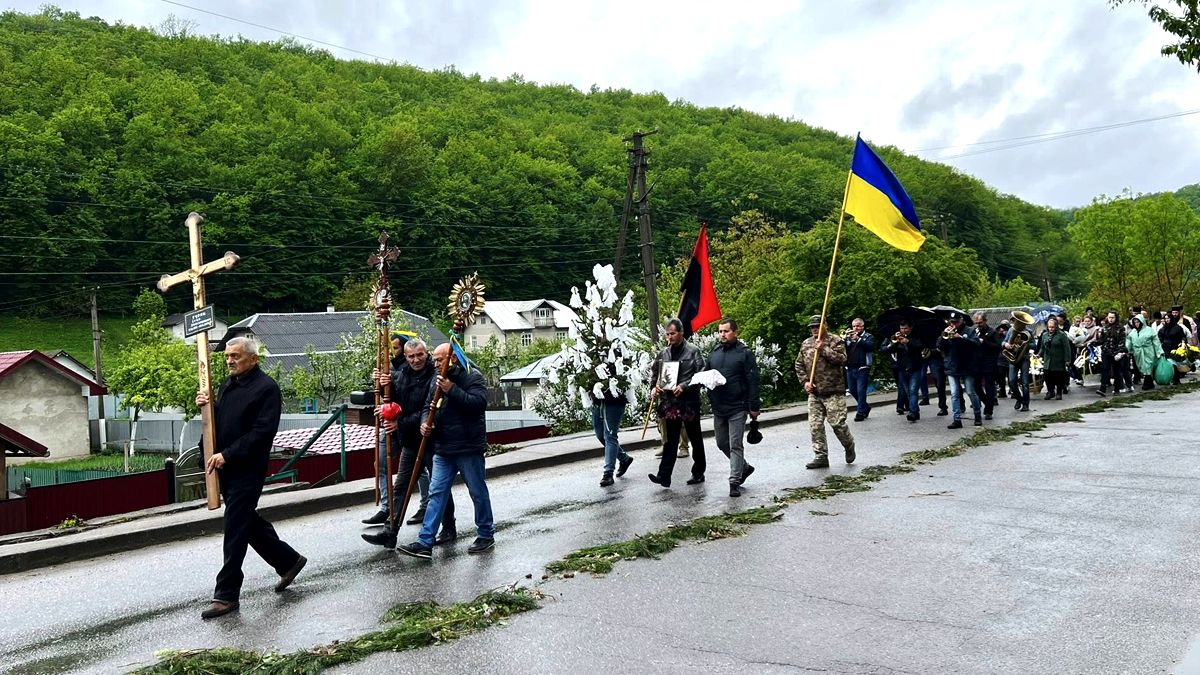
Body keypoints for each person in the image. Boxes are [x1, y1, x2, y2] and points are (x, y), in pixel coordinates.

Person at [196, 337, 306, 620]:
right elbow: (220, 422)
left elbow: (262, 432)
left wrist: (228, 455)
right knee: (247, 522)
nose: (230, 361)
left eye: (236, 356)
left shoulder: (266, 388)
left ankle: (226, 594)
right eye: (228, 357)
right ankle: (289, 561)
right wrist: (207, 408)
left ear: (253, 359)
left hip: (247, 468)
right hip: (225, 466)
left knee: (235, 528)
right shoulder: (227, 385)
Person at [397, 343, 495, 559]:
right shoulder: (436, 379)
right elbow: (427, 407)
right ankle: (425, 541)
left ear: (454, 358)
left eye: (441, 359)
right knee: (436, 493)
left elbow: (478, 404)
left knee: (477, 491)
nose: (436, 363)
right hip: (442, 446)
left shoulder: (472, 377)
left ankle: (486, 534)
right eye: (436, 360)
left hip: (467, 446)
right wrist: (425, 423)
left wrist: (453, 390)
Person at [362, 338, 456, 548]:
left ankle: (449, 527)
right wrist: (381, 384)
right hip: (411, 442)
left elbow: (429, 409)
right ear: (405, 357)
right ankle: (390, 531)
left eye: (420, 355)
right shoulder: (402, 374)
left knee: (438, 487)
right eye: (411, 356)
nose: (416, 360)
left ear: (426, 353)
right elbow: (392, 399)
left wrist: (399, 423)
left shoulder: (436, 376)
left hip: (433, 440)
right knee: (401, 486)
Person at [648, 319, 707, 488]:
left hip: (689, 402)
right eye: (667, 334)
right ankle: (664, 476)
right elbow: (655, 374)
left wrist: (684, 386)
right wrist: (654, 388)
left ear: (681, 333)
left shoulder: (693, 351)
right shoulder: (663, 353)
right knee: (670, 441)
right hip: (670, 403)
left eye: (673, 333)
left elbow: (701, 374)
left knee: (695, 439)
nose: (670, 337)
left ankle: (698, 472)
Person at [706, 318, 761, 497]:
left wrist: (754, 406)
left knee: (735, 444)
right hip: (718, 406)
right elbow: (705, 374)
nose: (723, 334)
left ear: (735, 332)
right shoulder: (714, 353)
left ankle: (734, 481)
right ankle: (744, 467)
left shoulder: (745, 353)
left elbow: (752, 381)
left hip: (738, 406)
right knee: (722, 443)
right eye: (720, 331)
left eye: (726, 331)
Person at [794, 315, 855, 469]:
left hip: (833, 390)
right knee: (815, 426)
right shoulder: (806, 344)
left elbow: (841, 359)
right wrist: (805, 382)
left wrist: (823, 349)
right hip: (815, 393)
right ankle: (821, 456)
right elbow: (799, 365)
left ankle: (849, 445)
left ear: (825, 325)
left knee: (837, 424)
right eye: (812, 327)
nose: (815, 329)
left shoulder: (835, 341)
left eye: (817, 326)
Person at [592, 358, 635, 488]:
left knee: (610, 436)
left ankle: (608, 473)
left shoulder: (616, 353)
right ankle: (624, 458)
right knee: (600, 435)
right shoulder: (593, 353)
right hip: (597, 400)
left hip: (614, 401)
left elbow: (625, 372)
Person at [937, 311, 981, 429]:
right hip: (952, 366)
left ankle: (977, 416)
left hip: (967, 366)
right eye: (952, 322)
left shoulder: (970, 330)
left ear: (961, 320)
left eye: (956, 322)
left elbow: (976, 344)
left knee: (970, 391)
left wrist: (961, 338)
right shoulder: (947, 331)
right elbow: (939, 347)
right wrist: (943, 337)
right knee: (954, 394)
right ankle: (957, 419)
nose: (954, 324)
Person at [880, 320, 924, 423]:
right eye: (901, 328)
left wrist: (908, 342)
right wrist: (893, 343)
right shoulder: (895, 337)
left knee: (913, 391)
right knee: (908, 391)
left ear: (910, 328)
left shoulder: (916, 336)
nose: (903, 331)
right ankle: (915, 411)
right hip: (902, 368)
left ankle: (912, 413)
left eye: (905, 328)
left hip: (915, 367)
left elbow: (920, 347)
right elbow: (884, 350)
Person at [843, 318, 875, 422]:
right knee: (852, 390)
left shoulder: (868, 336)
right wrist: (844, 339)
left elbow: (870, 347)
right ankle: (865, 407)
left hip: (862, 367)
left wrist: (858, 339)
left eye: (857, 326)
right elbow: (843, 349)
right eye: (854, 326)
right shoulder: (849, 338)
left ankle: (860, 412)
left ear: (862, 326)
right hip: (850, 367)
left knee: (861, 391)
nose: (855, 328)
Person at [972, 313, 1001, 420]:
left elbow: (998, 346)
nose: (978, 325)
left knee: (989, 387)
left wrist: (985, 342)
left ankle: (989, 410)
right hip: (977, 363)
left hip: (989, 363)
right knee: (976, 386)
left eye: (980, 323)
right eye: (976, 323)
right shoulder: (974, 331)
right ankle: (987, 402)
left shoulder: (993, 332)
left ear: (985, 321)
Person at [1096, 311, 1129, 396]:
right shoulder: (1105, 328)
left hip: (1116, 353)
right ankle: (1102, 388)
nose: (1110, 319)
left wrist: (1119, 352)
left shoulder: (1120, 328)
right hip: (1106, 352)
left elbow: (1122, 341)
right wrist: (1095, 342)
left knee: (1116, 370)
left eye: (1112, 317)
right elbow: (1102, 340)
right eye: (1109, 317)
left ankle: (1117, 388)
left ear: (1116, 318)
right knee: (1105, 369)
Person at [1038, 317, 1072, 399]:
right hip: (1047, 360)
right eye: (1049, 327)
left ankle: (1059, 392)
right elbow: (1042, 347)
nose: (1051, 329)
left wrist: (1067, 360)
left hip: (1058, 360)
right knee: (1047, 376)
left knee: (1058, 376)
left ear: (1056, 326)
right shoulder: (1045, 335)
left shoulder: (1062, 335)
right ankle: (1050, 391)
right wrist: (1039, 354)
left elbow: (1067, 348)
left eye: (1052, 327)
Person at [1003, 318, 1032, 412]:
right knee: (1011, 381)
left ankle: (1026, 404)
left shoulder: (1029, 331)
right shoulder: (1011, 330)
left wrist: (1024, 344)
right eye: (1016, 321)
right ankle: (1019, 399)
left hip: (1024, 358)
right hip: (1013, 357)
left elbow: (1034, 345)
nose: (1018, 323)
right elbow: (1004, 341)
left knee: (1025, 383)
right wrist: (1006, 345)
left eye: (1020, 322)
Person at [1126, 315, 1163, 390]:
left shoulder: (1149, 330)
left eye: (1138, 322)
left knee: (1148, 366)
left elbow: (1156, 341)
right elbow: (1129, 341)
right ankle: (1150, 383)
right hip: (1138, 352)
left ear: (1142, 322)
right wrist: (1127, 350)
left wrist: (1159, 351)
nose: (1136, 324)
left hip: (1148, 351)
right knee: (1141, 367)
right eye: (1135, 322)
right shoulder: (1133, 332)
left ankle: (1146, 383)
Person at [1158, 306, 1187, 385]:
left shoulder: (1177, 328)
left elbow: (1183, 336)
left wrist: (1183, 343)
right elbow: (1159, 337)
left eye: (1168, 318)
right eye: (1165, 318)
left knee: (1174, 364)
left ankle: (1176, 379)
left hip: (1174, 348)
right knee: (1167, 364)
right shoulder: (1163, 329)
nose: (1167, 320)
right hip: (1165, 348)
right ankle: (1168, 377)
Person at [995, 319, 1011, 399]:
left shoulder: (1011, 333)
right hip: (1001, 359)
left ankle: (1012, 390)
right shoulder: (997, 335)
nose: (1003, 329)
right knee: (1000, 377)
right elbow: (997, 345)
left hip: (1010, 359)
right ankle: (1002, 391)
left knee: (1010, 377)